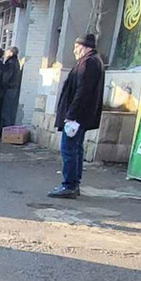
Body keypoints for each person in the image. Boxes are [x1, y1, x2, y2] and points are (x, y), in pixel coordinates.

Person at [49, 34, 105, 198]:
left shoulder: (88, 63)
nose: (74, 50)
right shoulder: (92, 61)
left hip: (77, 117)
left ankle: (69, 185)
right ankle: (73, 183)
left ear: (86, 47)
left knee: (69, 149)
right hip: (81, 116)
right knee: (76, 148)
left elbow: (82, 91)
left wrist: (71, 115)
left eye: (77, 47)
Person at [0, 46, 23, 129]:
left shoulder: (10, 63)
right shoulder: (16, 62)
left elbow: (7, 76)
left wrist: (2, 84)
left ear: (11, 53)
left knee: (6, 110)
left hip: (9, 88)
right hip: (13, 87)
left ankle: (5, 129)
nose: (5, 53)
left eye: (7, 51)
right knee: (10, 109)